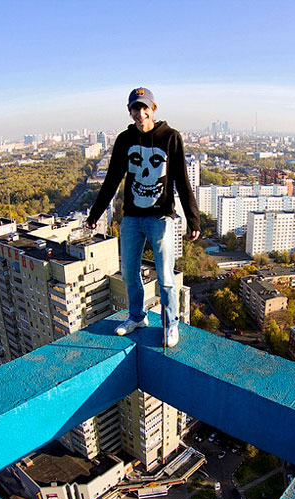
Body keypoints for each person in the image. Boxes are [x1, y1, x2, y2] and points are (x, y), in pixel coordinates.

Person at [86, 87, 200, 347]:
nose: (140, 113)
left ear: (153, 108)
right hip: (132, 217)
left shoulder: (170, 137)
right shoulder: (125, 139)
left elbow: (182, 180)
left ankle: (171, 324)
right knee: (129, 273)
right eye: (135, 108)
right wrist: (95, 213)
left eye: (144, 107)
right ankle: (137, 317)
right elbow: (112, 179)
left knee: (166, 277)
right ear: (130, 111)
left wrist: (193, 219)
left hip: (160, 218)